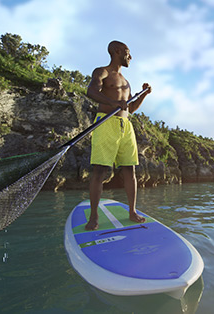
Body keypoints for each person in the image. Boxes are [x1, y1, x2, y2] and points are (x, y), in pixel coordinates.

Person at [84, 40, 152, 230]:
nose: (130, 57)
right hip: (106, 123)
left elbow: (129, 109)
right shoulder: (102, 72)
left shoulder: (126, 81)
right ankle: (94, 217)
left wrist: (144, 94)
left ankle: (132, 211)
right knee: (99, 171)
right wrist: (113, 103)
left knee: (130, 170)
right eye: (127, 52)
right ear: (116, 51)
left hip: (126, 125)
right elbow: (91, 91)